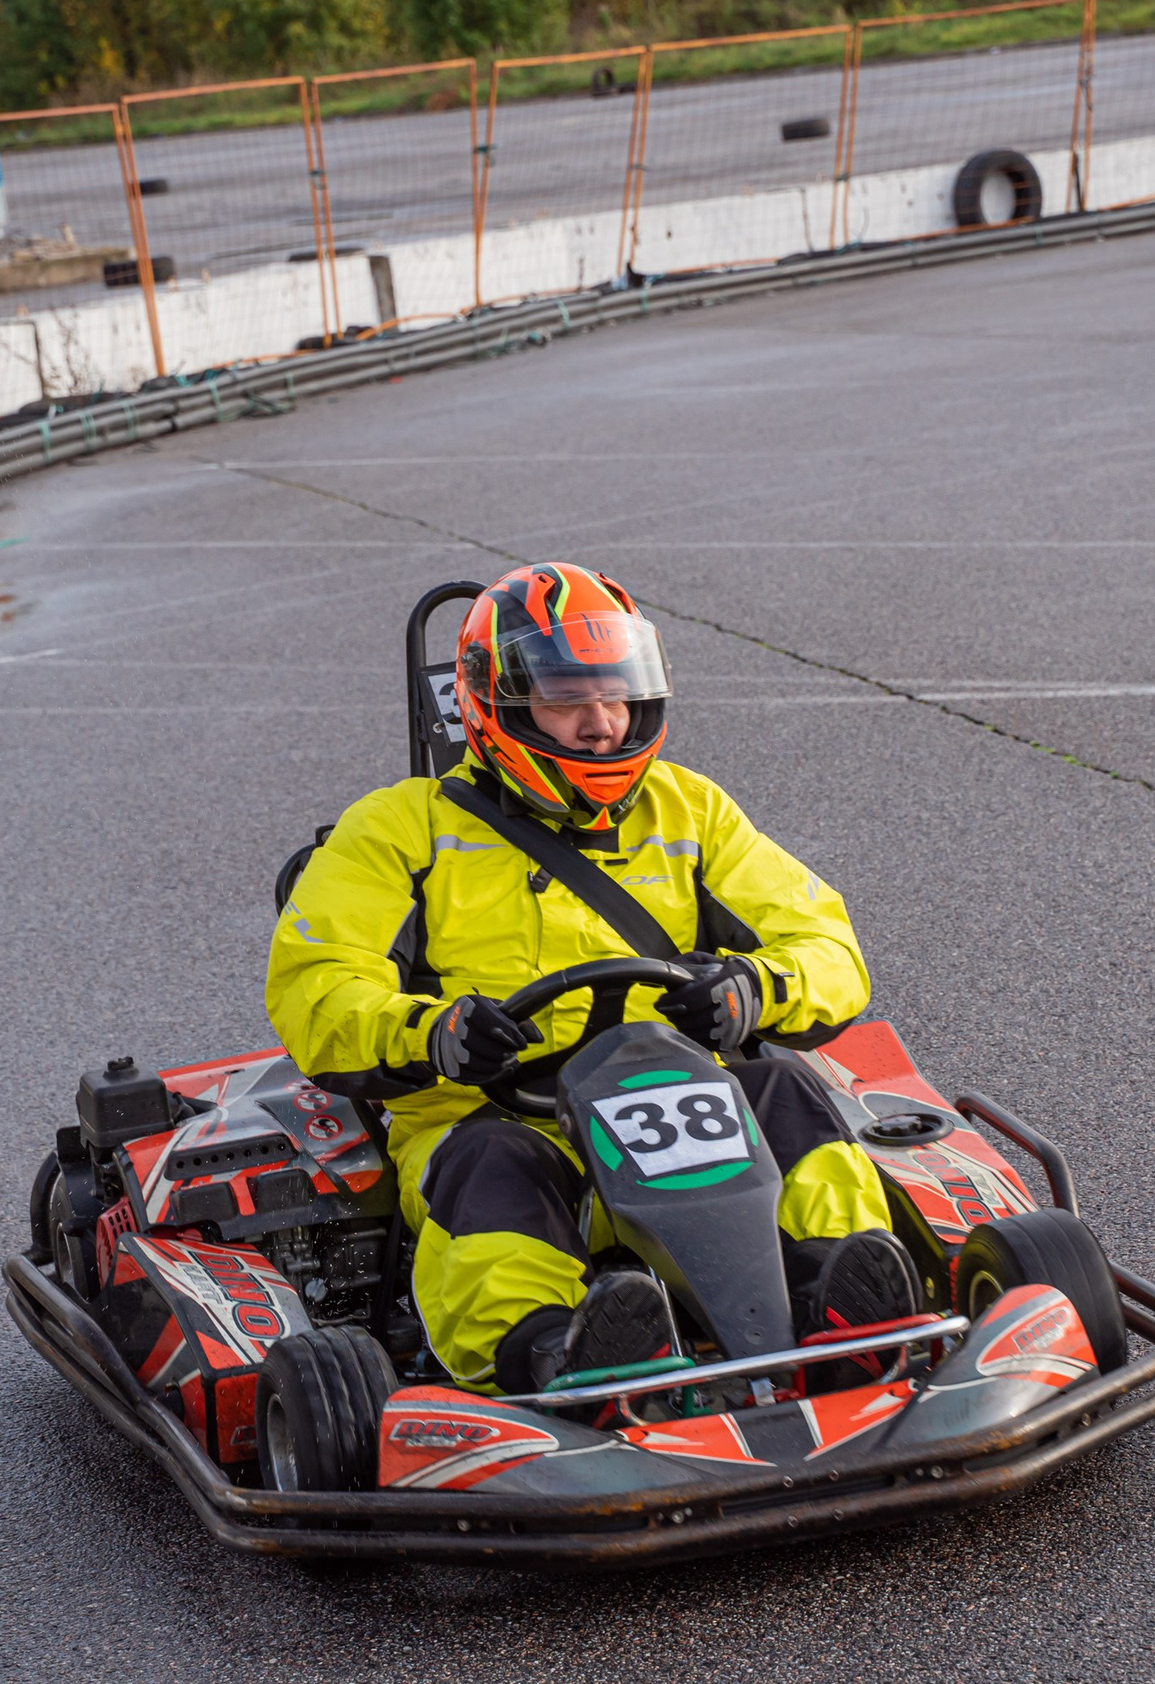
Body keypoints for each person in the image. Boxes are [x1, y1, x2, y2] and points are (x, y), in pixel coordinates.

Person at [265, 562, 917, 1395]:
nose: (602, 724)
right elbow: (314, 985)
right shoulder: (401, 830)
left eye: (616, 695)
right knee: (491, 1163)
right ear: (494, 704)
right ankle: (557, 1353)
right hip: (504, 1114)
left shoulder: (688, 811)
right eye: (567, 698)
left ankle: (843, 1303)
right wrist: (433, 1033)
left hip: (680, 1107)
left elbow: (826, 944)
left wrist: (754, 986)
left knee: (783, 1090)